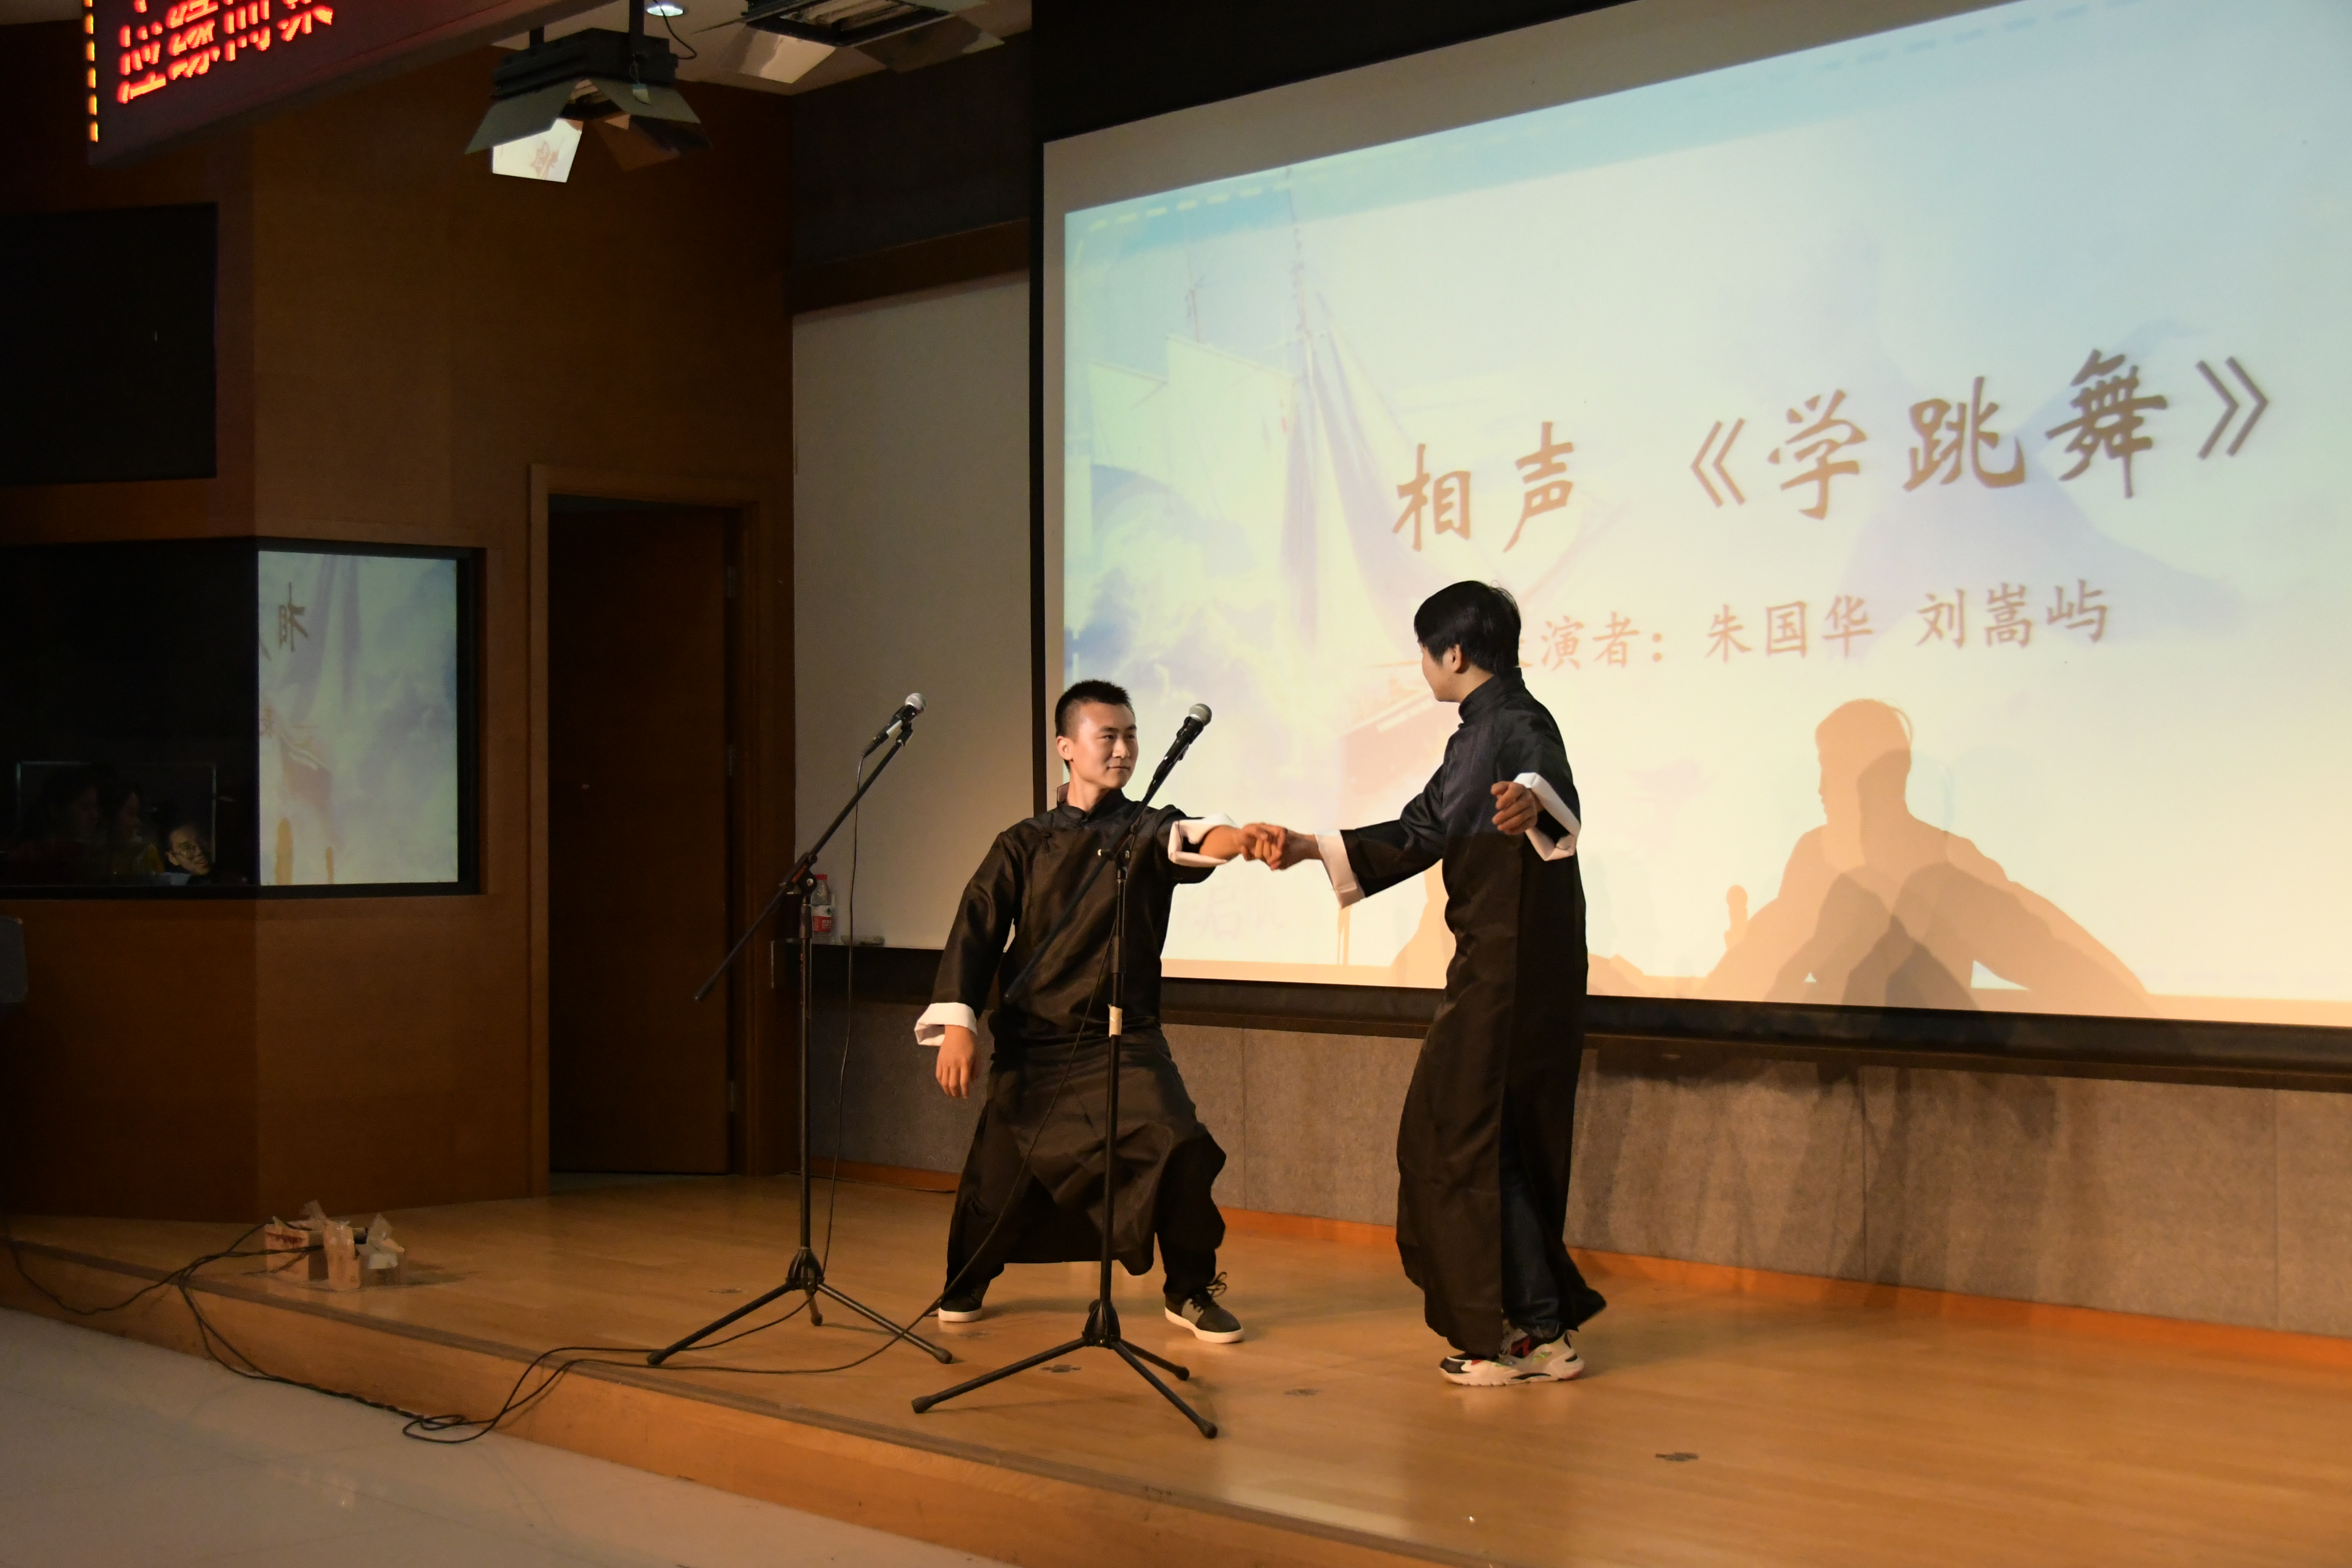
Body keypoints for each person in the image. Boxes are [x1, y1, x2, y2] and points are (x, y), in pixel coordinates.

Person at [1247, 581, 1605, 1386]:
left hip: (1511, 973)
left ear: (1454, 652)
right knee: (1486, 1144)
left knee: (1457, 1139)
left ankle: (1501, 1337)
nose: (1422, 666)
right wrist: (1308, 847)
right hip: (1498, 969)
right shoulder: (1473, 736)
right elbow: (1420, 830)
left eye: (1423, 651)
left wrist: (1532, 804)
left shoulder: (1518, 721)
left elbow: (1548, 789)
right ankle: (1541, 1330)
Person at [917, 679, 1250, 1342]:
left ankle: (1188, 1289)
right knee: (998, 1182)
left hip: (1125, 1039)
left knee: (1180, 1147)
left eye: (1131, 736)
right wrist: (958, 1023)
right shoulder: (1023, 843)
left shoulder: (1146, 826)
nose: (1123, 750)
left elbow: (1193, 838)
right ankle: (966, 1278)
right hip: (1036, 1045)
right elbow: (977, 929)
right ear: (1067, 747)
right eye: (1109, 737)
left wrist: (1240, 839)